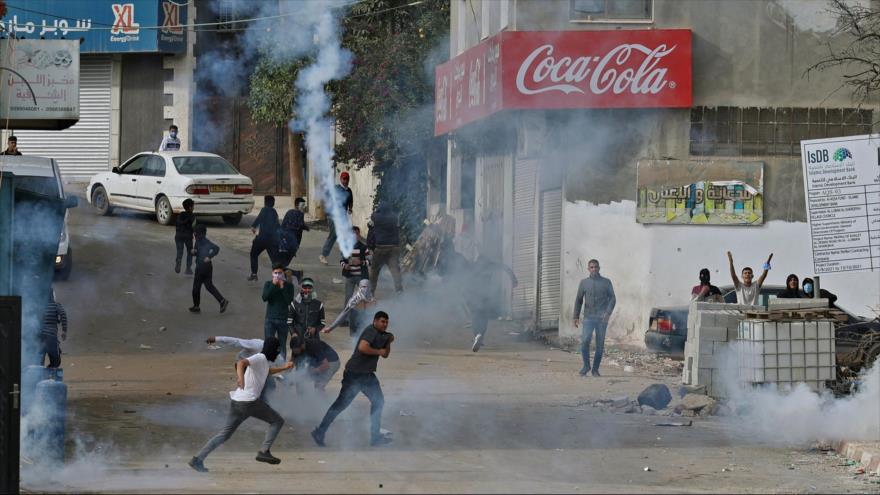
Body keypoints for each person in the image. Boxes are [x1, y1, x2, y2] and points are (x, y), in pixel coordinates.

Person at [188, 337, 293, 473]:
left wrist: (284, 367)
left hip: (237, 401)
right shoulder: (260, 357)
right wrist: (240, 378)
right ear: (272, 349)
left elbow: (267, 372)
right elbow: (241, 363)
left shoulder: (263, 362)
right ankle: (264, 451)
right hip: (249, 402)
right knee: (277, 421)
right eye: (277, 349)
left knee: (224, 434)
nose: (277, 352)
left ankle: (197, 459)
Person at [311, 311, 394, 448]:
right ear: (375, 321)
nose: (385, 324)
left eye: (386, 322)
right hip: (355, 374)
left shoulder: (382, 335)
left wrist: (388, 342)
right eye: (382, 321)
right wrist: (379, 351)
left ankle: (375, 437)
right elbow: (362, 347)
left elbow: (385, 354)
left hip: (366, 375)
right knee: (340, 405)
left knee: (378, 401)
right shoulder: (371, 331)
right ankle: (319, 432)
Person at [464, 254, 518, 352]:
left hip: (473, 296)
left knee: (475, 317)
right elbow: (505, 268)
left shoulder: (473, 266)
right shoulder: (491, 265)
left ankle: (477, 335)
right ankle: (480, 335)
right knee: (484, 317)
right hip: (484, 296)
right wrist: (514, 279)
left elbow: (462, 277)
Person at [572, 259, 616, 377]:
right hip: (588, 318)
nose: (594, 269)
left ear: (599, 268)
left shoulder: (606, 282)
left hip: (602, 319)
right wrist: (575, 316)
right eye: (591, 267)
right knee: (585, 342)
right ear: (588, 269)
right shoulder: (584, 283)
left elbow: (612, 298)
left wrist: (608, 313)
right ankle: (586, 366)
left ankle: (595, 370)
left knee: (599, 345)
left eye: (596, 267)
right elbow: (579, 300)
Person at [190, 225, 229, 313]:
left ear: (199, 233)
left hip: (202, 268)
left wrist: (209, 256)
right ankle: (222, 301)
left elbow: (216, 248)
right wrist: (193, 252)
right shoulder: (198, 241)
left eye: (195, 233)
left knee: (196, 288)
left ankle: (196, 306)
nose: (194, 234)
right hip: (206, 267)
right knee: (209, 286)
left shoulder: (204, 241)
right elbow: (197, 252)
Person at [367, 202, 403, 294]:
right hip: (394, 247)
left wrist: (377, 210)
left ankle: (371, 292)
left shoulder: (376, 217)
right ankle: (399, 290)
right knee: (395, 270)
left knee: (374, 271)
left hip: (381, 248)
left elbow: (373, 215)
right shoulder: (394, 217)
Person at [319, 171, 353, 265]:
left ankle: (345, 256)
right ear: (341, 179)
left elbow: (350, 201)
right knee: (334, 235)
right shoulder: (336, 189)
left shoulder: (349, 191)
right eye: (344, 179)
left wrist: (350, 209)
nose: (346, 181)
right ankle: (323, 255)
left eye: (347, 179)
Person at [262, 264, 295, 360]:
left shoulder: (289, 286)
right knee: (268, 343)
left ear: (283, 273)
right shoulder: (268, 284)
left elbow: (289, 301)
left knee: (282, 344)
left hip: (283, 319)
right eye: (275, 273)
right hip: (270, 318)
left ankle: (282, 363)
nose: (277, 275)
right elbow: (265, 297)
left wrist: (282, 287)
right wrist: (273, 285)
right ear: (272, 273)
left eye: (279, 273)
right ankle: (268, 362)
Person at [341, 226, 370, 329]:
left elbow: (370, 261)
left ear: (358, 235)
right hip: (350, 276)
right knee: (348, 298)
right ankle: (345, 319)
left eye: (356, 234)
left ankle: (365, 319)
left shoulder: (363, 247)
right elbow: (342, 260)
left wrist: (361, 262)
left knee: (364, 298)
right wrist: (345, 266)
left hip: (361, 277)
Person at [249, 196, 280, 281]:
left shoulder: (264, 210)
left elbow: (258, 220)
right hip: (272, 240)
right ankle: (277, 277)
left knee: (253, 254)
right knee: (274, 261)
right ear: (273, 203)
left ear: (265, 202)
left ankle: (254, 274)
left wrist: (254, 228)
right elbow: (278, 226)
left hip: (261, 239)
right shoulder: (274, 212)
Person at [39, 289, 68, 368]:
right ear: (53, 296)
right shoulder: (56, 305)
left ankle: (41, 374)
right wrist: (64, 331)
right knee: (56, 362)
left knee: (39, 363)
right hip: (51, 337)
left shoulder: (40, 306)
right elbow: (63, 315)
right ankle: (48, 372)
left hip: (40, 338)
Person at [278, 197, 309, 267]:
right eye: (302, 205)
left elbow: (283, 224)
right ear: (297, 205)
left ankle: (282, 267)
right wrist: (306, 228)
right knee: (289, 256)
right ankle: (283, 268)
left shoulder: (289, 212)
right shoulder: (301, 213)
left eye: (304, 205)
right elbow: (301, 225)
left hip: (284, 238)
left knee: (284, 256)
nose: (304, 207)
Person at [174, 199, 196, 275]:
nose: (194, 207)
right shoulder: (193, 216)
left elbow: (176, 224)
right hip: (188, 237)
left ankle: (178, 261)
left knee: (179, 251)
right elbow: (194, 228)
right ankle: (188, 269)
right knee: (190, 252)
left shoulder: (180, 215)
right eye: (193, 206)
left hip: (178, 235)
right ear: (190, 207)